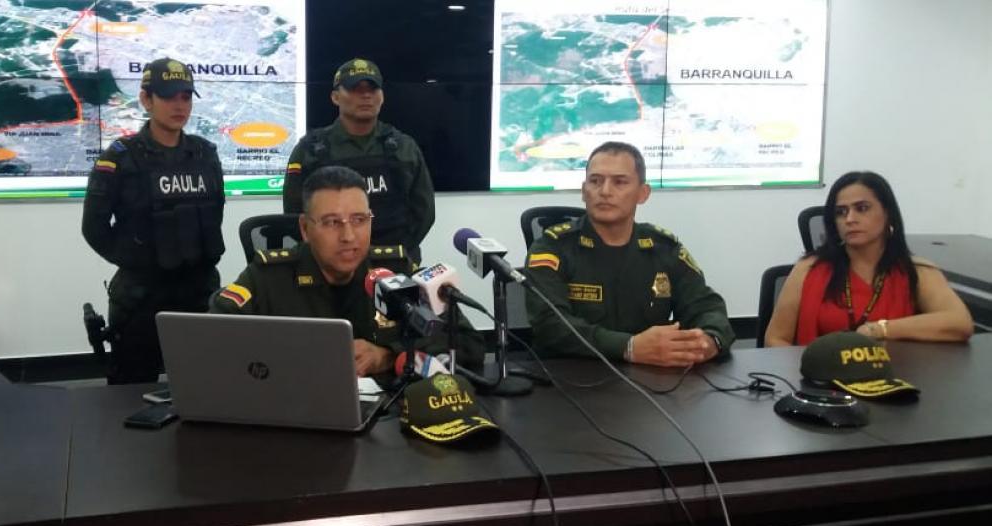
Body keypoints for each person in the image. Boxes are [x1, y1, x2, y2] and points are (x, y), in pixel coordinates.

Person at [212, 166, 481, 378]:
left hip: (386, 425)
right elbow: (214, 340)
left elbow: (469, 345)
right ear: (305, 229)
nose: (349, 235)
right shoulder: (268, 276)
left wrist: (388, 355)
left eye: (359, 220)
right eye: (331, 223)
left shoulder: (395, 271)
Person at [524, 141, 734, 367]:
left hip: (651, 379)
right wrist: (628, 347)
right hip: (571, 378)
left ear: (642, 194)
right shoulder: (552, 248)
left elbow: (705, 306)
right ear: (584, 192)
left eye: (619, 182)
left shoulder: (663, 248)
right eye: (595, 181)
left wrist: (709, 340)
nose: (604, 191)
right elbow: (551, 325)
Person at [82, 58, 226, 384]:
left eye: (186, 96)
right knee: (130, 399)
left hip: (198, 296)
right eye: (169, 96)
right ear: (146, 99)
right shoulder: (119, 158)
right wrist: (138, 261)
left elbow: (214, 212)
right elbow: (94, 228)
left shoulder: (205, 154)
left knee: (207, 391)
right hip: (141, 301)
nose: (179, 105)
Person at [764, 171, 974, 346]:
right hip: (820, 385)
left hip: (893, 383)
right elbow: (775, 338)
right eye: (840, 212)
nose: (850, 219)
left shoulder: (917, 271)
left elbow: (960, 323)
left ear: (888, 213)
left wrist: (879, 329)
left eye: (862, 208)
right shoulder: (809, 269)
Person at [282, 58, 435, 264]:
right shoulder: (309, 151)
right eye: (355, 88)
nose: (366, 95)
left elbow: (424, 212)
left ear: (382, 96)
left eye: (373, 88)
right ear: (335, 97)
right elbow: (295, 214)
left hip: (395, 264)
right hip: (332, 270)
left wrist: (391, 253)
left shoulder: (404, 147)